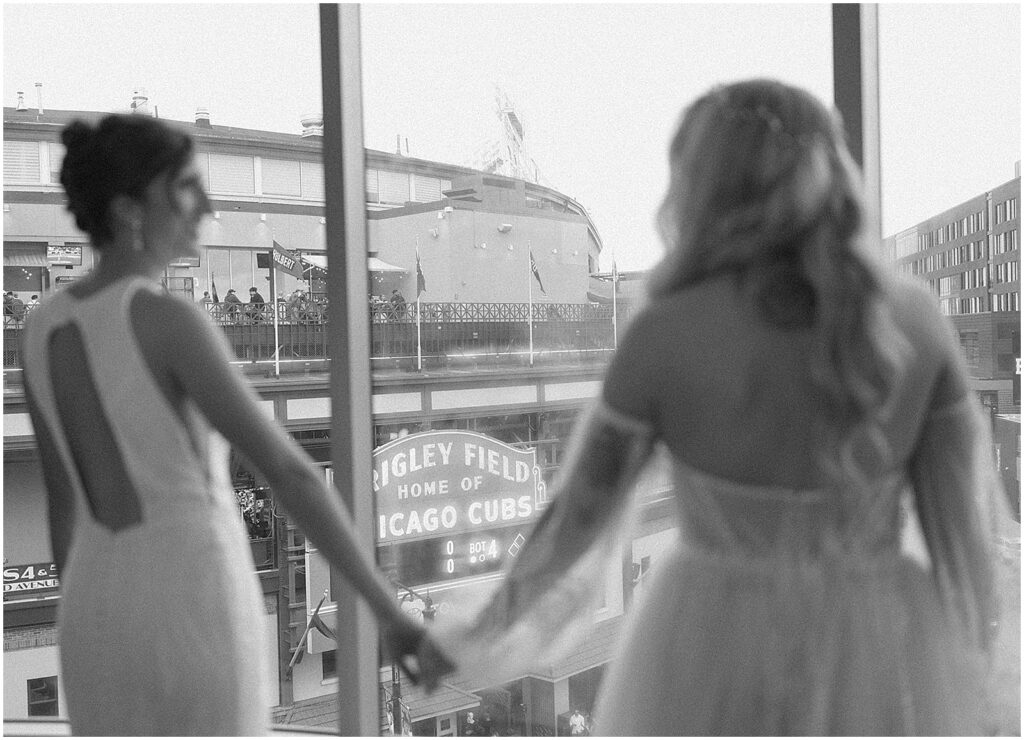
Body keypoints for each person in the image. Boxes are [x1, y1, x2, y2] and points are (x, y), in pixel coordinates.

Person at [435, 79, 1011, 735]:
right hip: (878, 637)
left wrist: (482, 629)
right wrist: (986, 695)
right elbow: (966, 544)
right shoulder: (913, 322)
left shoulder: (666, 331)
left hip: (706, 636)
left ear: (700, 184)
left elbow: (576, 523)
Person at [20, 113, 452, 736]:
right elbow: (290, 475)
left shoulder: (41, 328)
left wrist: (94, 613)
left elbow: (64, 510)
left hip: (92, 615)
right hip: (190, 604)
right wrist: (392, 614)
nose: (207, 204)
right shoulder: (167, 320)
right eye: (187, 187)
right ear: (129, 210)